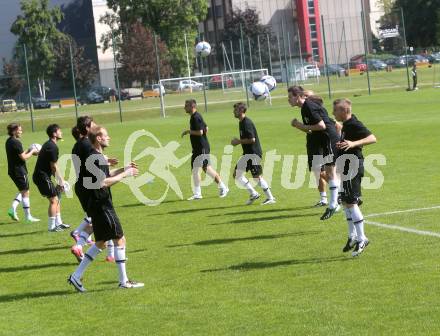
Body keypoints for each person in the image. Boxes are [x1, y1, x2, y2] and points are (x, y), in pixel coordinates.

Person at [68, 126, 144, 292]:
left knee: (101, 243)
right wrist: (126, 174)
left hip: (97, 206)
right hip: (102, 206)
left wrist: (124, 168)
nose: (109, 138)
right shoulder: (96, 157)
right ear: (99, 139)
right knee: (120, 239)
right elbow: (102, 183)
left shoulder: (95, 157)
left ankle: (75, 276)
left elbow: (105, 175)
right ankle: (124, 281)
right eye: (106, 136)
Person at [332, 98, 377, 256]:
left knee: (350, 202)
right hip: (346, 165)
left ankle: (362, 238)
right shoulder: (347, 124)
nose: (333, 113)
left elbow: (372, 138)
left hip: (353, 166)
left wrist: (353, 144)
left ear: (344, 111)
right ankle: (352, 237)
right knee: (345, 201)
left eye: (335, 110)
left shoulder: (354, 124)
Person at [288, 86, 339, 220]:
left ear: (298, 96)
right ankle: (335, 201)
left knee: (330, 172)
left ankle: (335, 203)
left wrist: (300, 126)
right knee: (327, 172)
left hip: (328, 138)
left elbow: (321, 126)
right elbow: (313, 128)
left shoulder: (308, 107)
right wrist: (301, 126)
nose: (288, 100)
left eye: (290, 97)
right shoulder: (305, 108)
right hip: (323, 140)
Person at [70, 117, 117, 263]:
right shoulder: (87, 144)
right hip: (90, 188)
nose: (96, 126)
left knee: (97, 220)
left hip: (83, 185)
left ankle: (80, 242)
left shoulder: (77, 145)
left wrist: (106, 161)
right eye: (93, 124)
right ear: (88, 128)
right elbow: (91, 163)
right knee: (104, 219)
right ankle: (108, 253)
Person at [181, 99, 229, 200]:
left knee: (205, 168)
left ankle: (223, 187)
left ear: (192, 107)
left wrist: (188, 131)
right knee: (198, 170)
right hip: (199, 148)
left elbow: (201, 132)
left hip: (201, 148)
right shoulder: (195, 116)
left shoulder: (196, 117)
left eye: (186, 106)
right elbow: (206, 128)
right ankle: (198, 194)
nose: (184, 108)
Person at [231, 102, 275, 205]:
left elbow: (252, 139)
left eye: (236, 110)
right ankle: (253, 193)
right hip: (247, 154)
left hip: (253, 154)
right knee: (237, 174)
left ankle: (270, 198)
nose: (233, 112)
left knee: (257, 177)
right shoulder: (241, 122)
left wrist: (238, 141)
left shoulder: (247, 123)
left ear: (241, 111)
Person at [32, 124, 69, 232]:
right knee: (54, 200)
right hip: (41, 177)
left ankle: (59, 223)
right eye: (59, 131)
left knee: (56, 197)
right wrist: (61, 181)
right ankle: (51, 227)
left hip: (43, 176)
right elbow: (54, 166)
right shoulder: (52, 147)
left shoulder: (49, 144)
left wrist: (59, 181)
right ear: (54, 134)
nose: (61, 132)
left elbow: (52, 166)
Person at [5, 123, 40, 223]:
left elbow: (19, 154)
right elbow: (24, 157)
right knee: (25, 192)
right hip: (19, 171)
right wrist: (33, 151)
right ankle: (28, 217)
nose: (21, 131)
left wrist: (28, 150)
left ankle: (12, 209)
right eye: (19, 130)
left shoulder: (9, 141)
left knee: (23, 190)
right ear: (14, 131)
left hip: (12, 171)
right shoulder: (16, 142)